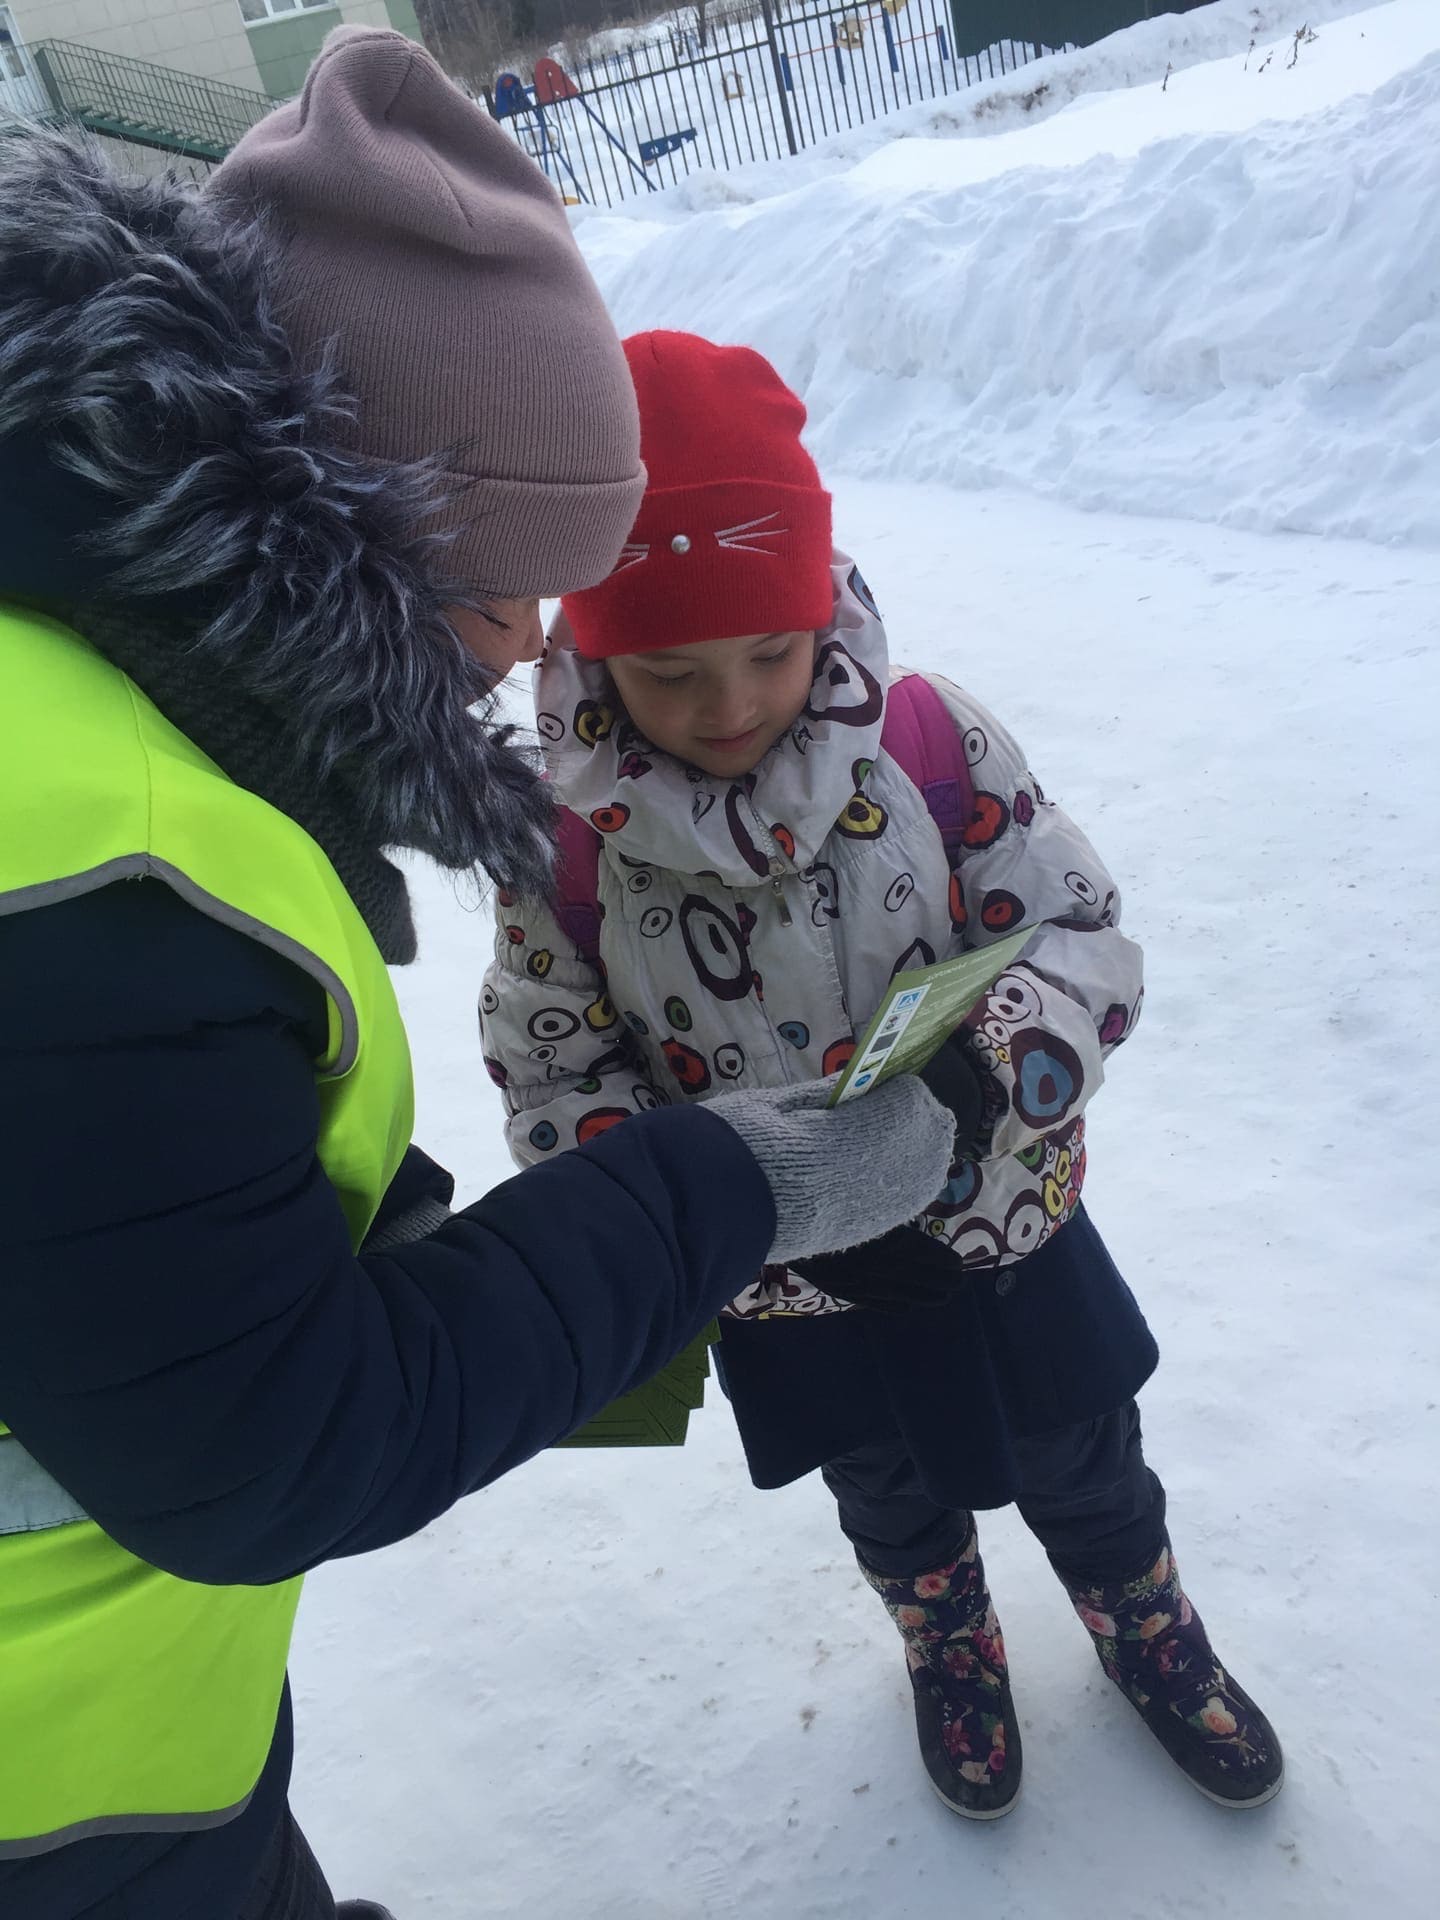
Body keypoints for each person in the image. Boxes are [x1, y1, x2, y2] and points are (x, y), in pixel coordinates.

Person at [0, 38, 957, 1920]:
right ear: (359, 522)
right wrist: (715, 1183)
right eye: (514, 584)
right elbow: (271, 1446)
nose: (529, 650)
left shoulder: (79, 702)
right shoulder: (92, 876)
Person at [481, 330, 1285, 1821]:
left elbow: (1088, 945)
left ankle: (1145, 1622)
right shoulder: (564, 844)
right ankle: (948, 1640)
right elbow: (548, 1065)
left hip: (1003, 1229)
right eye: (670, 672)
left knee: (1084, 1453)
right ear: (593, 651)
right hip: (790, 1289)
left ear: (821, 609)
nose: (730, 706)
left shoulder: (929, 747)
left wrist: (981, 1087)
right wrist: (689, 1200)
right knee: (889, 1494)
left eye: (771, 654)